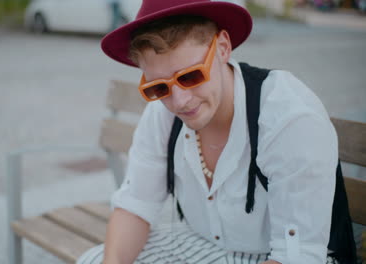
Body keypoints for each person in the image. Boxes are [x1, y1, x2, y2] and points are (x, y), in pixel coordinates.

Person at [79, 0, 349, 263]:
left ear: (222, 48)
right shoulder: (162, 114)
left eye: (190, 76)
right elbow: (136, 204)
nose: (179, 101)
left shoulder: (287, 116)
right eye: (159, 87)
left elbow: (297, 255)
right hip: (201, 242)